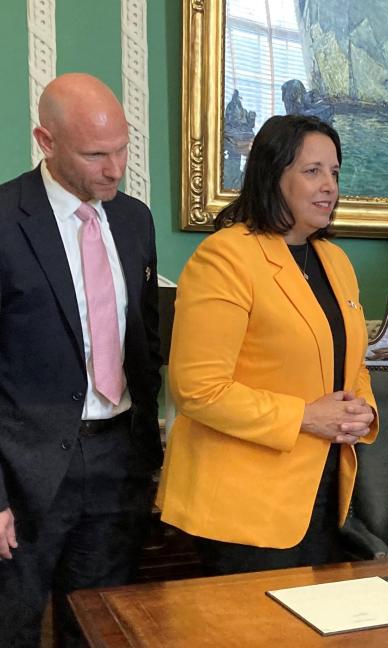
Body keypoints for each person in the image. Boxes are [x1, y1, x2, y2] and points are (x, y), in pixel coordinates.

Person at [156, 115, 377, 575]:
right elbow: (198, 388)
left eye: (335, 173)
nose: (329, 186)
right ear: (272, 176)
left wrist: (363, 410)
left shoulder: (335, 260)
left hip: (323, 491)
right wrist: (304, 416)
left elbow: (351, 363)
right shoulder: (225, 257)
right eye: (312, 171)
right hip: (242, 507)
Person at [0, 73, 163, 646]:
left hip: (120, 462)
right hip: (24, 474)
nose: (115, 168)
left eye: (121, 147)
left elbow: (147, 346)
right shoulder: (3, 220)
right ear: (46, 141)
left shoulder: (134, 219)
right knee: (12, 626)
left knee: (99, 627)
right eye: (96, 154)